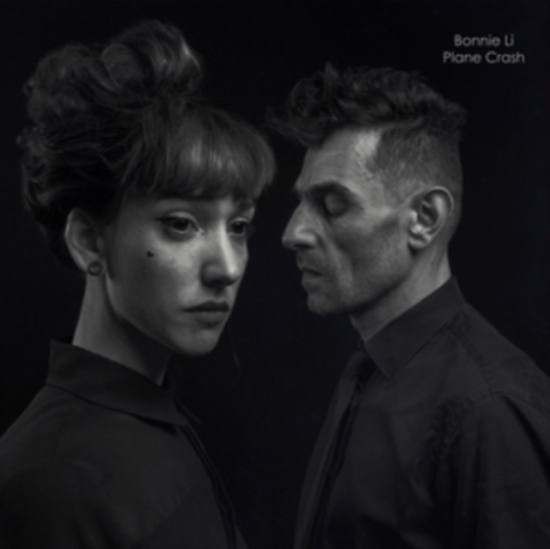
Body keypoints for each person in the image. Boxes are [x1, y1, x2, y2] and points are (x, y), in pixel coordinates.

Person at [0, 20, 274, 548]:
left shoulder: (155, 420)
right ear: (89, 241)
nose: (227, 267)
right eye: (181, 224)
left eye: (239, 227)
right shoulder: (51, 485)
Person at [270, 65, 550, 548]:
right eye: (301, 203)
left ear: (425, 218)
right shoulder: (371, 368)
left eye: (333, 205)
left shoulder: (490, 409)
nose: (293, 233)